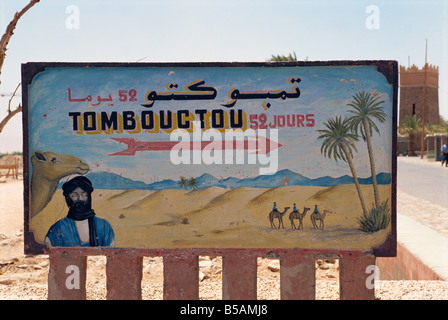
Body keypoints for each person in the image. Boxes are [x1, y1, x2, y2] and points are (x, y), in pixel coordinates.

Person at [45, 176, 115, 247]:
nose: (80, 199)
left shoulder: (104, 227)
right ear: (68, 199)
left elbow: (110, 253)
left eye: (84, 195)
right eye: (74, 195)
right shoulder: (58, 229)